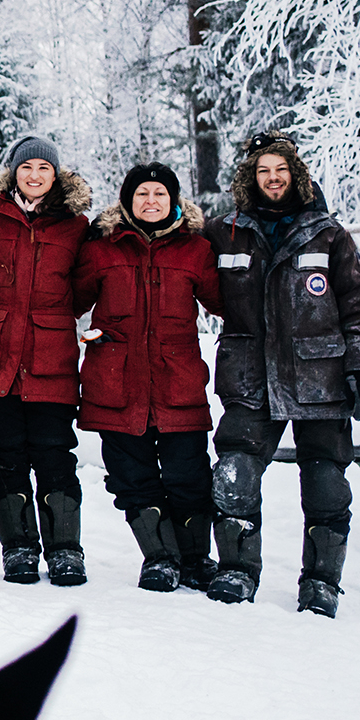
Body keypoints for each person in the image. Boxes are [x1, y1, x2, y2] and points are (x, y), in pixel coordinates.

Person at [204, 132, 360, 616]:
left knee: (326, 479)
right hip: (250, 374)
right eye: (263, 171)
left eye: (280, 170)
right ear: (250, 177)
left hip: (318, 377)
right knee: (234, 473)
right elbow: (175, 257)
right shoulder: (225, 232)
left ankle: (321, 582)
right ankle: (238, 571)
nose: (272, 178)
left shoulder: (328, 233)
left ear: (295, 174)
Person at [73, 162, 223, 592]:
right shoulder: (101, 249)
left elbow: (227, 301)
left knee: (189, 476)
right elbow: (65, 299)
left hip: (178, 383)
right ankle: (160, 558)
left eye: (160, 194)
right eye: (142, 194)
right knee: (132, 478)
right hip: (116, 385)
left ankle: (194, 560)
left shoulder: (195, 249)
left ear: (174, 200)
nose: (151, 201)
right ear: (127, 200)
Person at [0, 135, 94, 587]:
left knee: (55, 456)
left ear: (55, 175)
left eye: (44, 169)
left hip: (51, 361)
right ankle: (18, 549)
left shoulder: (76, 226)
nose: (35, 176)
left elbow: (83, 290)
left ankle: (65, 551)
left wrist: (51, 318)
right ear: (14, 173)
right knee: (4, 456)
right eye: (27, 168)